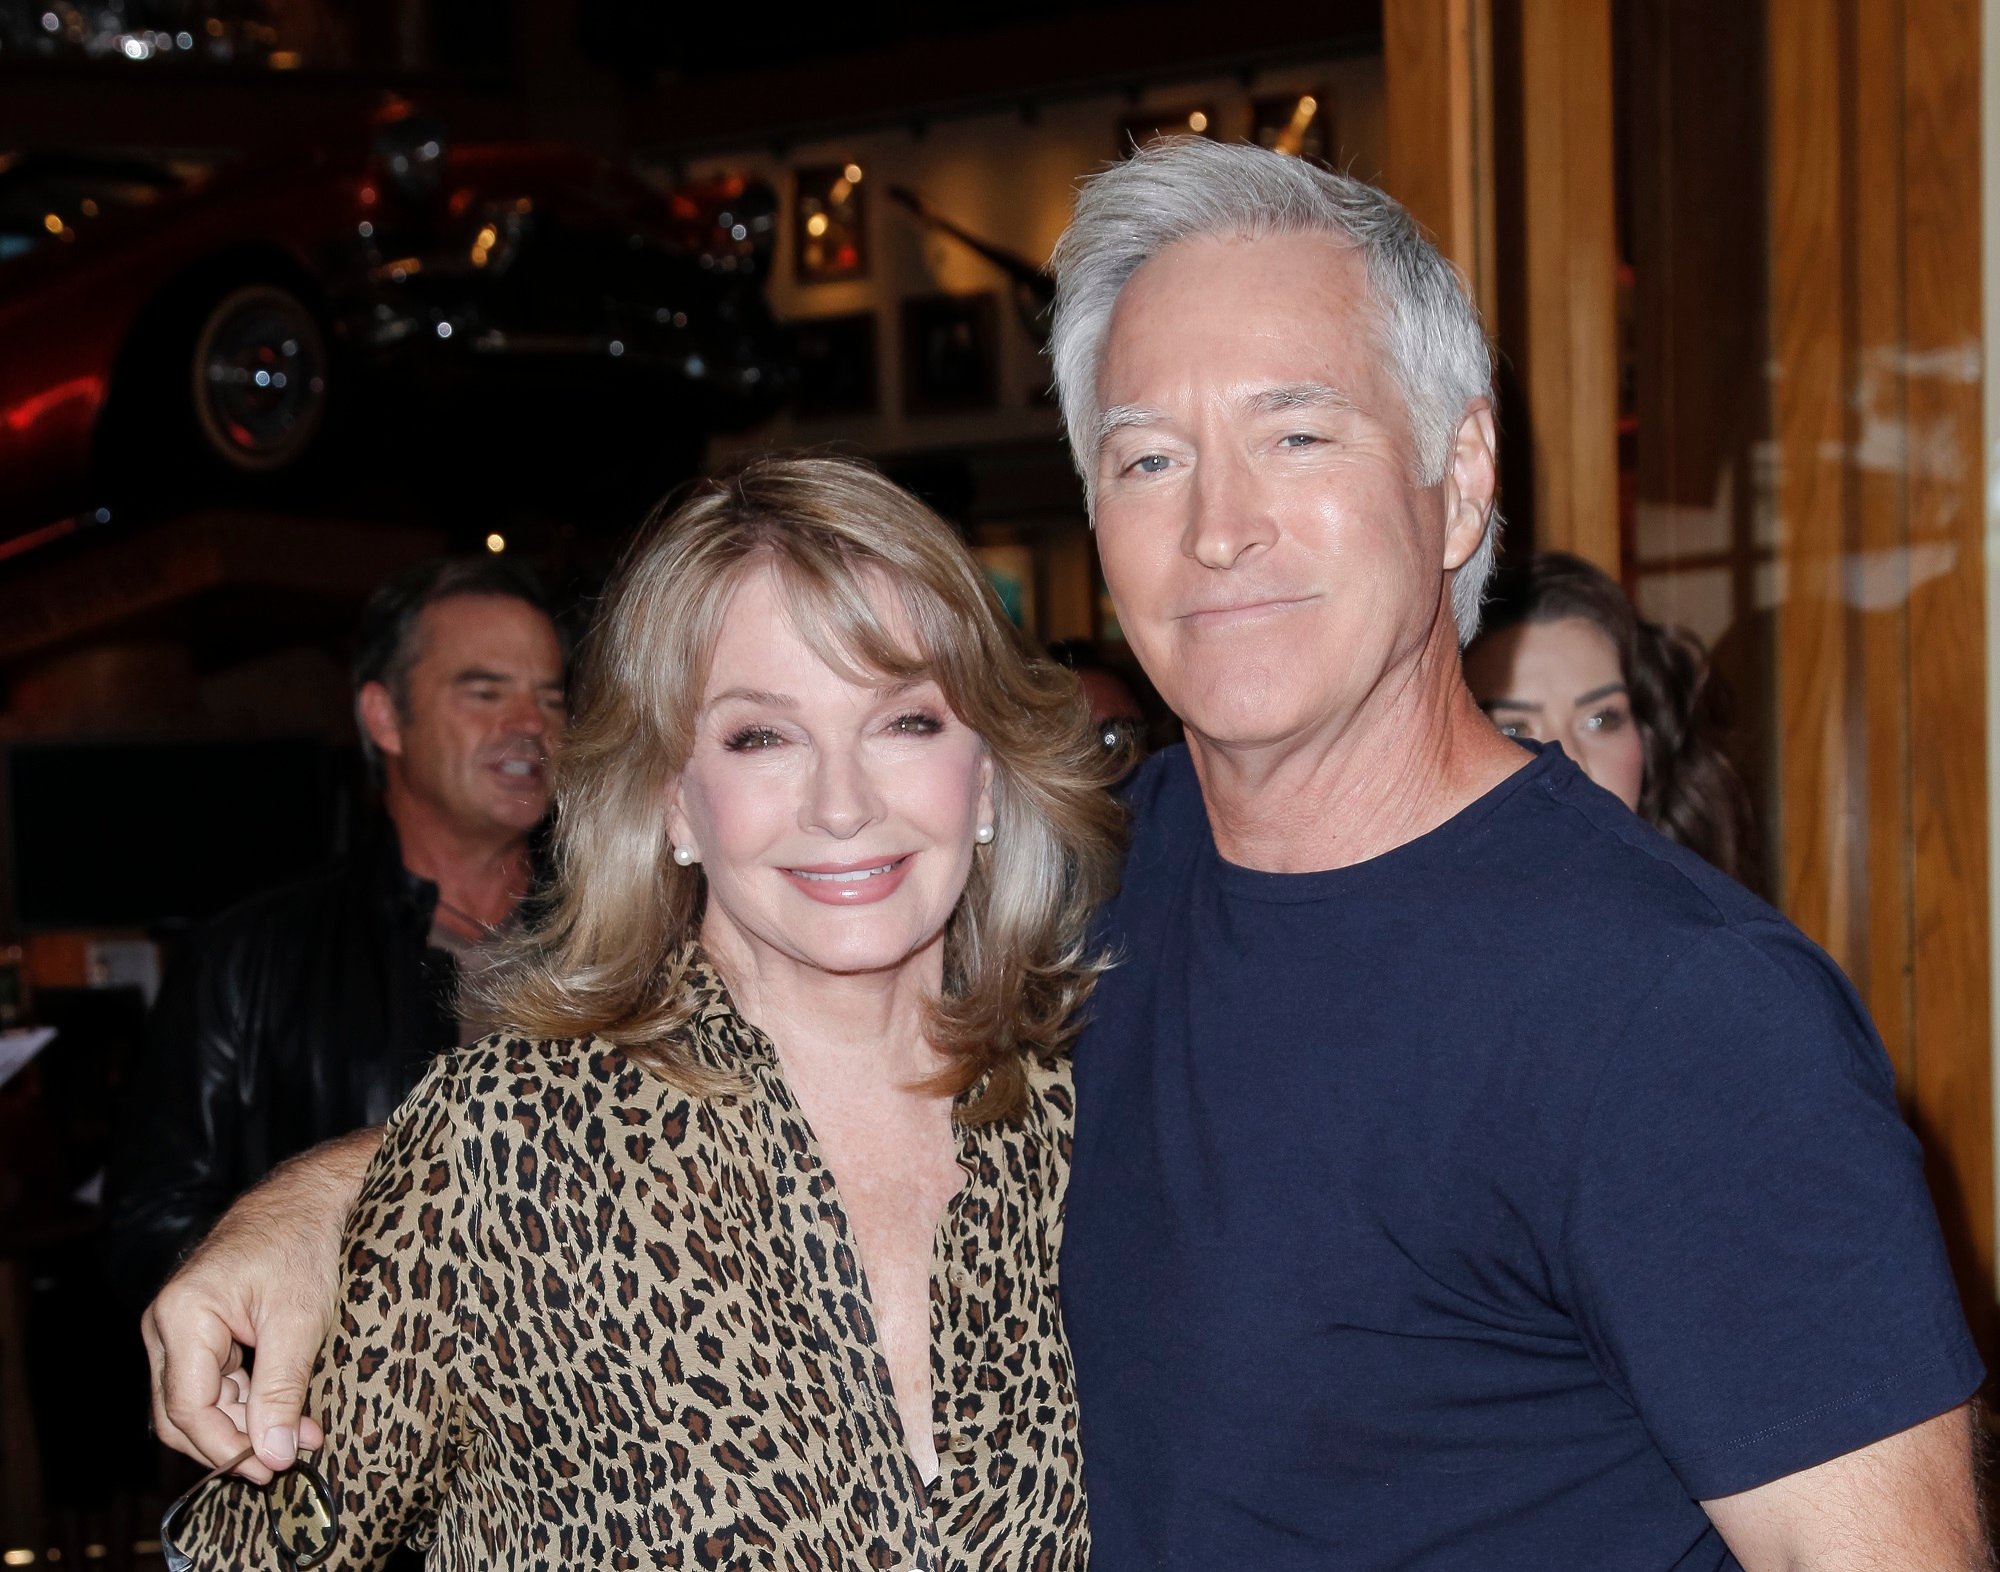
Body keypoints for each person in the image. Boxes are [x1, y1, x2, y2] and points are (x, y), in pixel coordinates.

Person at [143, 143, 1988, 1571]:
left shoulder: (1683, 1016)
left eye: (1296, 431)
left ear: (1462, 478)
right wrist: (328, 1214)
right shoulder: (1103, 895)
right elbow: (699, 1069)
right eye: (1149, 457)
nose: (1223, 526)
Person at [163, 455, 1119, 1569]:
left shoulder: (1098, 1126)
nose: (843, 803)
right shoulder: (511, 1150)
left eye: (904, 722)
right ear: (672, 800)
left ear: (987, 774)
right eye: (761, 736)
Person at [103, 557, 567, 1312]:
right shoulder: (248, 959)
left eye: (550, 696)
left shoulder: (622, 940)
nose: (531, 724)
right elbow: (151, 1228)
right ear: (384, 717)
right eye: (485, 692)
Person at [1464, 550, 1757, 881]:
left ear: (1649, 738)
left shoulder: (1715, 910)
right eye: (1513, 729)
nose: (1569, 761)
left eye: (1600, 719)